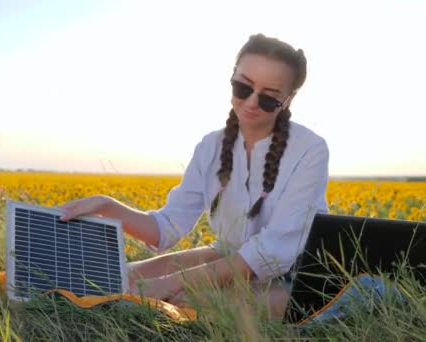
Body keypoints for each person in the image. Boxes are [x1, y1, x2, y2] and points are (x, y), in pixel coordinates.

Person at [58, 33, 329, 319]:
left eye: (268, 98)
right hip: (228, 254)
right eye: (242, 87)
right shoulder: (211, 146)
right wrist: (106, 206)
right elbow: (166, 227)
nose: (250, 103)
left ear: (287, 100)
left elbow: (272, 252)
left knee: (194, 301)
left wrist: (172, 283)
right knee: (126, 278)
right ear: (232, 77)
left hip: (296, 273)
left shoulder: (310, 149)